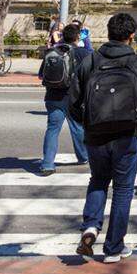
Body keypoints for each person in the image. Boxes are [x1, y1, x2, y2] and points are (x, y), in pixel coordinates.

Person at [72, 13, 137, 262]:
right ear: (131, 36)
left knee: (98, 180)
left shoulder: (90, 61)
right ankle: (113, 247)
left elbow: (73, 101)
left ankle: (90, 226)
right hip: (126, 135)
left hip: (96, 135)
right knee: (123, 189)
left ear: (108, 33)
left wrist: (89, 123)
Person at [38, 22, 90, 176]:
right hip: (73, 98)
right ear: (78, 37)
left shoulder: (51, 51)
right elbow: (90, 75)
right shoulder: (83, 53)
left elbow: (41, 75)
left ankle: (47, 164)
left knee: (53, 129)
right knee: (78, 128)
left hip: (53, 96)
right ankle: (83, 156)